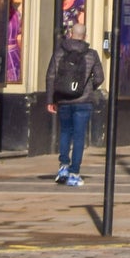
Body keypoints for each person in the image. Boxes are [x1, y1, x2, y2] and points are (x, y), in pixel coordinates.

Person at [44, 17, 104, 187]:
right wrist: (89, 87)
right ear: (84, 36)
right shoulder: (91, 55)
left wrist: (51, 99)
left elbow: (50, 76)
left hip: (63, 99)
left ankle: (63, 166)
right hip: (83, 101)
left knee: (65, 133)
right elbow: (100, 77)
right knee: (79, 136)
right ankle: (74, 173)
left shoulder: (60, 52)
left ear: (71, 34)